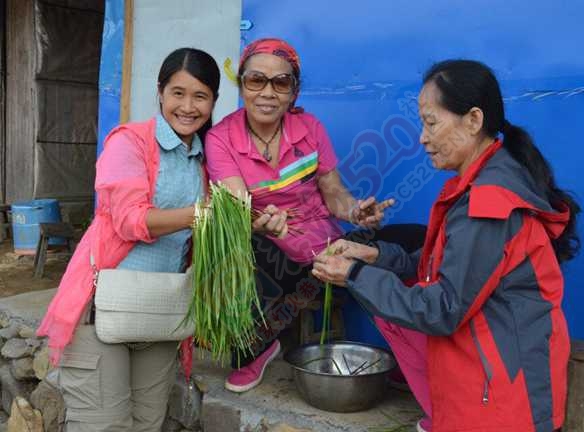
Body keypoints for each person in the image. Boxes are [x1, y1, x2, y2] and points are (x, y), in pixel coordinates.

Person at [312, 60, 580, 432]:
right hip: (491, 385)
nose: (422, 137)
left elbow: (443, 308)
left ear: (473, 120)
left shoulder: (489, 204)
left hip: (501, 402)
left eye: (431, 122)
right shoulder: (484, 181)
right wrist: (377, 256)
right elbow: (446, 263)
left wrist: (355, 275)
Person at [204, 37, 426, 393]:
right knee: (244, 243)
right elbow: (235, 206)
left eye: (281, 83)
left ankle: (418, 361)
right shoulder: (221, 139)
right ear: (242, 84)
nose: (267, 93)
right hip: (276, 258)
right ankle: (254, 348)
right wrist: (261, 224)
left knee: (421, 237)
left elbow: (334, 193)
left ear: (294, 91)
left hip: (331, 250)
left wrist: (355, 211)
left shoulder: (309, 130)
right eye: (256, 80)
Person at [36, 48, 220, 431]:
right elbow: (129, 219)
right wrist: (200, 216)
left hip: (161, 311)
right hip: (102, 308)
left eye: (200, 96)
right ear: (160, 92)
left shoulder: (206, 159)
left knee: (147, 423)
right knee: (102, 426)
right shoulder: (131, 142)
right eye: (178, 93)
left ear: (214, 101)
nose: (188, 106)